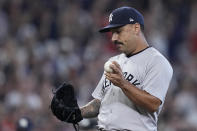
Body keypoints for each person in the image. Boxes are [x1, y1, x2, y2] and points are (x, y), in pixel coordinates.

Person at [80, 6, 173, 131]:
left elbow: (153, 104)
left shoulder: (157, 61)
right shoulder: (114, 61)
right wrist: (76, 112)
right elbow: (100, 102)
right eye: (113, 33)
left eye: (118, 31)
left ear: (136, 28)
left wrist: (123, 84)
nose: (113, 38)